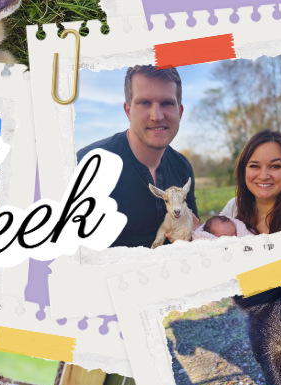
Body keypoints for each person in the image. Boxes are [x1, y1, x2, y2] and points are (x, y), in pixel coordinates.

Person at [77, 64, 198, 248]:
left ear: (180, 112)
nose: (156, 116)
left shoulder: (182, 167)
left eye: (166, 103)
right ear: (128, 111)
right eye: (144, 103)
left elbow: (194, 235)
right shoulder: (87, 165)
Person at [210, 130, 281, 236]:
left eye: (275, 166)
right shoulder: (234, 208)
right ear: (243, 171)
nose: (263, 176)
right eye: (254, 166)